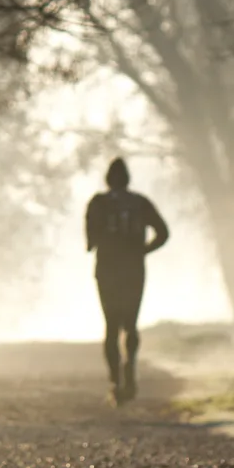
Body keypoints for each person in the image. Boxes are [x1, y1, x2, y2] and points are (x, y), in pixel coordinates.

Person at [85, 157, 169, 405]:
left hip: (108, 269)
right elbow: (163, 233)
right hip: (133, 269)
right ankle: (130, 372)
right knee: (130, 324)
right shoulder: (140, 203)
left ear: (108, 180)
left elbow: (90, 241)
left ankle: (114, 381)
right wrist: (143, 250)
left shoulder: (98, 203)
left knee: (111, 325)